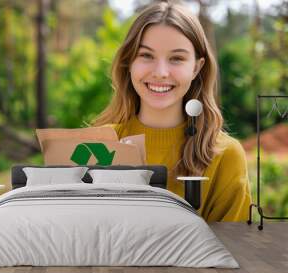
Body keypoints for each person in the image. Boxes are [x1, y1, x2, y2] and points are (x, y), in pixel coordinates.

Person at [92, 1, 252, 222]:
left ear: (197, 67)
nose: (161, 72)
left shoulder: (225, 156)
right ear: (129, 62)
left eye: (176, 58)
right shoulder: (96, 144)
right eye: (146, 55)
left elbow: (235, 250)